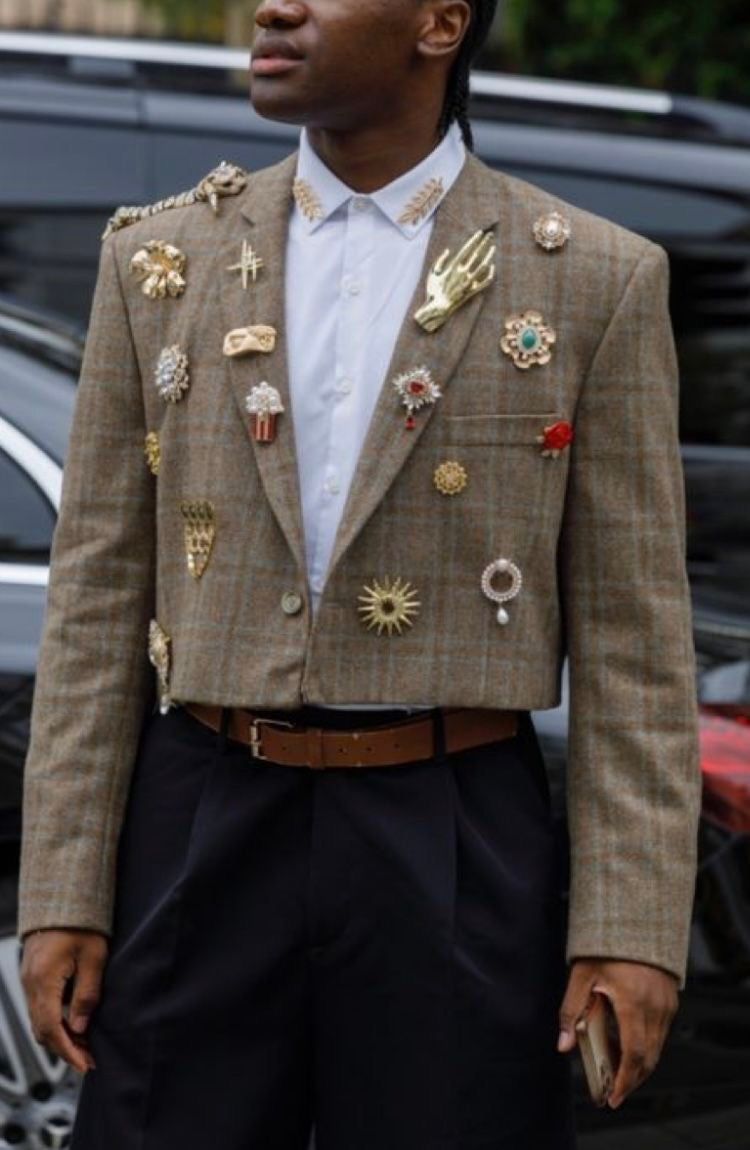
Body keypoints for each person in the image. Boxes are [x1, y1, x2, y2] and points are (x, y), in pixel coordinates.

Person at [17, 1, 702, 1146]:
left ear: (439, 23)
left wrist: (631, 927)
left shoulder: (593, 278)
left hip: (451, 823)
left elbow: (635, 640)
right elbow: (93, 601)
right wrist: (63, 890)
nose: (276, 6)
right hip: (204, 806)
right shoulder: (157, 261)